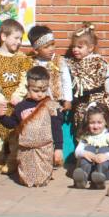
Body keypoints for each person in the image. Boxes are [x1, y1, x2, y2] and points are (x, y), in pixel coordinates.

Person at [0, 19, 32, 174]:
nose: (19, 42)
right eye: (16, 38)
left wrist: (18, 95)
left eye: (20, 38)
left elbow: (25, 79)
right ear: (3, 36)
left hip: (16, 102)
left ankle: (11, 161)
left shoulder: (22, 58)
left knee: (15, 132)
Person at [0, 66, 63, 187]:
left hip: (44, 150)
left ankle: (45, 177)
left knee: (41, 180)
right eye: (36, 90)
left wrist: (58, 148)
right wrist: (2, 117)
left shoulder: (51, 105)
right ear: (28, 88)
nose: (40, 94)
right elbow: (12, 124)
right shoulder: (21, 106)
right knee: (26, 180)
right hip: (25, 150)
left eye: (43, 90)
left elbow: (56, 128)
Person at [27, 25, 71, 169]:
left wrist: (68, 99)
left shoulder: (59, 61)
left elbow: (66, 80)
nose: (51, 48)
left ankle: (56, 154)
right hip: (37, 103)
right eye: (46, 46)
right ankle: (40, 156)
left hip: (55, 102)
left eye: (52, 44)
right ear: (36, 50)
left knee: (55, 126)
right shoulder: (31, 62)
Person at [66, 22, 109, 131]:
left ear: (90, 48)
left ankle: (102, 145)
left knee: (99, 125)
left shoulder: (98, 61)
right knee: (83, 125)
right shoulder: (72, 63)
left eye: (79, 47)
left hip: (98, 100)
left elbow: (108, 76)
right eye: (73, 47)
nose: (75, 50)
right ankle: (84, 145)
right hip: (81, 102)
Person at [73, 103, 109, 189]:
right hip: (90, 171)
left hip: (107, 171)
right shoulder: (86, 136)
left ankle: (100, 178)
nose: (95, 126)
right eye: (92, 123)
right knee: (89, 148)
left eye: (99, 122)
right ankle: (83, 178)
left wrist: (106, 156)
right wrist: (85, 153)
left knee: (104, 149)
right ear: (87, 123)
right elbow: (77, 152)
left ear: (106, 122)